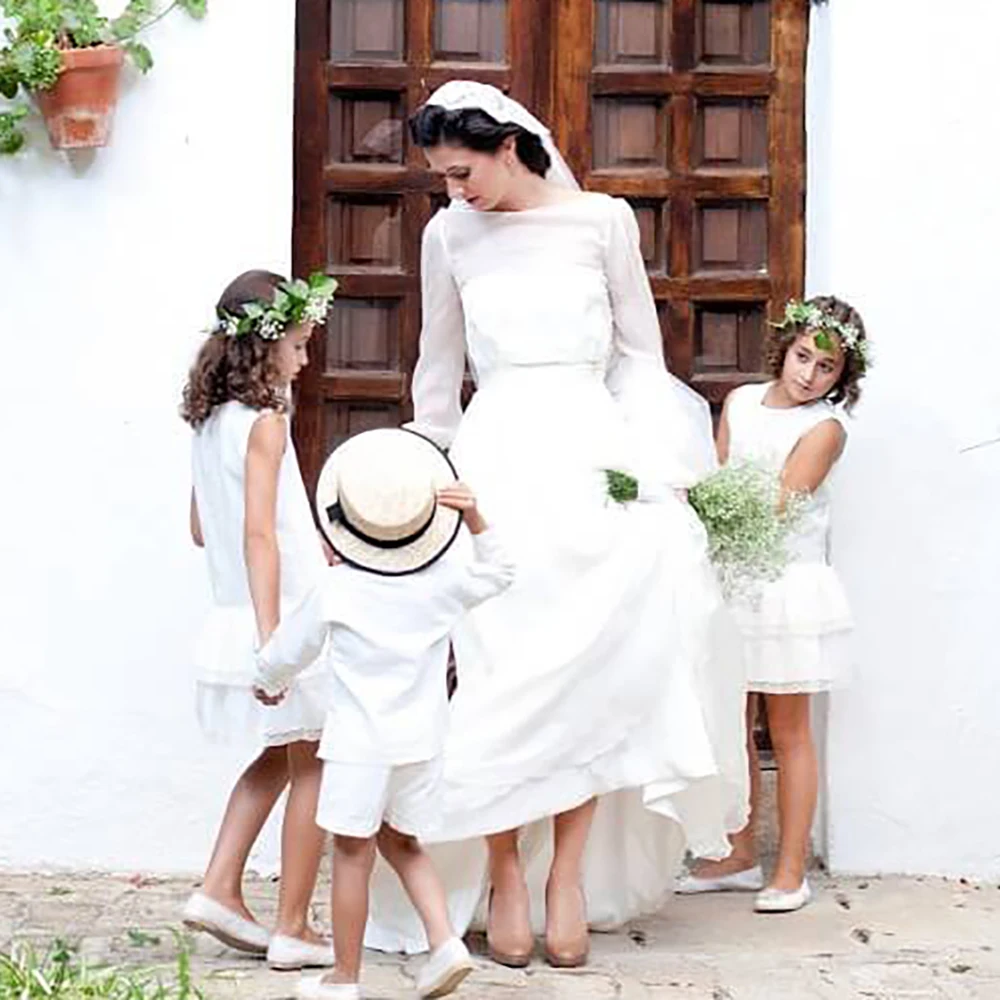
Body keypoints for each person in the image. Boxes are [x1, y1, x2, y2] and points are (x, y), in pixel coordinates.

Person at [365, 80, 749, 967]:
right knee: (501, 676)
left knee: (593, 668)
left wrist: (651, 470)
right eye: (441, 178)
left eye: (463, 172)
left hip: (590, 458)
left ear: (509, 148)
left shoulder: (603, 222)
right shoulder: (448, 234)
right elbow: (438, 367)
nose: (454, 190)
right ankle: (503, 868)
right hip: (500, 460)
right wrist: (430, 474)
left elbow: (639, 360)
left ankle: (566, 875)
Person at [253, 428, 516, 1000]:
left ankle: (343, 978)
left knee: (352, 853)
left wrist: (266, 682)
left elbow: (287, 652)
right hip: (421, 741)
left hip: (358, 747)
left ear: (346, 523)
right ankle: (445, 943)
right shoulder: (441, 583)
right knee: (404, 843)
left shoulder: (338, 589)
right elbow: (501, 573)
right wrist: (474, 517)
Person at [677, 296, 869, 913]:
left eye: (826, 368)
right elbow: (720, 472)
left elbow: (780, 503)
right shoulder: (739, 402)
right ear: (784, 348)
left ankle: (789, 870)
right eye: (803, 357)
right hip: (731, 581)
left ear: (844, 377)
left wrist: (712, 505)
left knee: (787, 732)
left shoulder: (826, 428)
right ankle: (736, 854)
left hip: (787, 586)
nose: (808, 375)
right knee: (729, 722)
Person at [179, 269, 337, 970]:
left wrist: (302, 533)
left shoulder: (211, 421)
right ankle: (295, 925)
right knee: (317, 765)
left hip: (239, 608)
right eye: (299, 346)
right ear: (266, 348)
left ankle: (218, 886)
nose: (304, 361)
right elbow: (255, 537)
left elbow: (199, 528)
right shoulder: (267, 424)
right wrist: (275, 643)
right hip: (281, 618)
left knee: (281, 757)